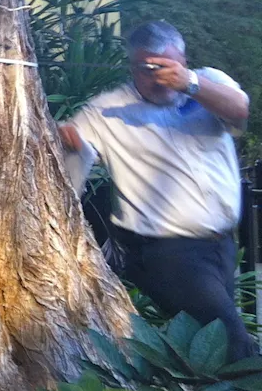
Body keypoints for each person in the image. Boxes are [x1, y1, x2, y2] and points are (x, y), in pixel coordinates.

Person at [59, 20, 255, 362]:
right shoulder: (107, 110)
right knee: (233, 343)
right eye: (145, 69)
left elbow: (239, 110)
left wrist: (191, 84)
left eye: (165, 67)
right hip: (165, 253)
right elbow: (65, 153)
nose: (156, 77)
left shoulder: (209, 83)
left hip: (221, 245)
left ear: (182, 59)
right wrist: (65, 141)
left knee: (206, 353)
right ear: (132, 67)